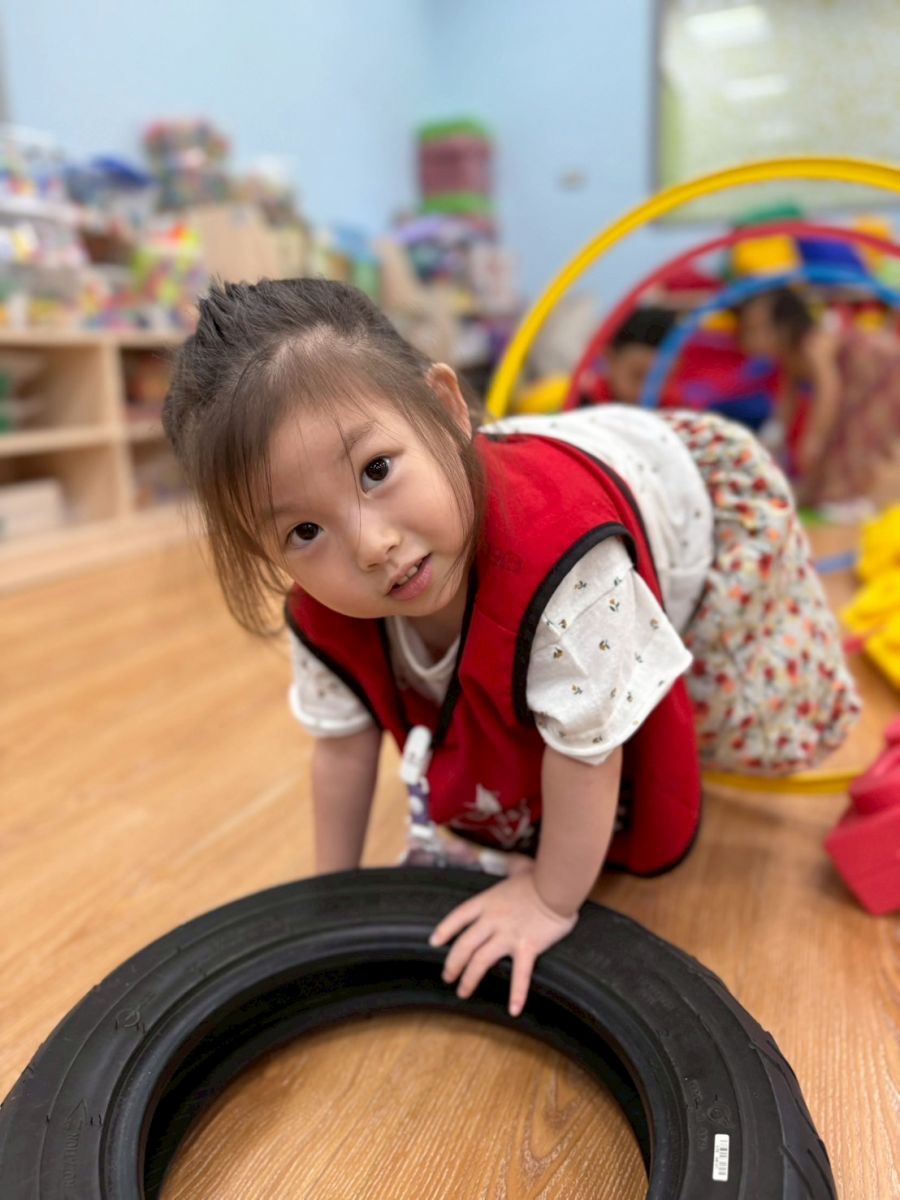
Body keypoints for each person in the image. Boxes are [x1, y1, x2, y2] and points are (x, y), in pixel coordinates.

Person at [163, 278, 860, 1019]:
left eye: (376, 471)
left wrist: (550, 899)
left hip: (676, 493)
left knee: (628, 695)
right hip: (551, 483)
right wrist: (331, 898)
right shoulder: (322, 606)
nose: (370, 545)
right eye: (304, 531)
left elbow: (589, 752)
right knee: (548, 673)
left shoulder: (570, 564)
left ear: (445, 408)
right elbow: (341, 745)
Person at [737, 286, 900, 512]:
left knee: (853, 437)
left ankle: (849, 498)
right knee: (834, 445)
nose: (750, 338)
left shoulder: (812, 345)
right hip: (861, 384)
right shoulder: (789, 357)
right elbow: (788, 400)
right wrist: (775, 434)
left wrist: (815, 438)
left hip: (883, 374)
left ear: (784, 327)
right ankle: (820, 494)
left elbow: (828, 389)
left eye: (758, 329)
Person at [579, 306, 677, 406]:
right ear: (609, 358)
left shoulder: (675, 410)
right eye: (639, 376)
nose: (650, 391)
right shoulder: (579, 406)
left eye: (663, 378)